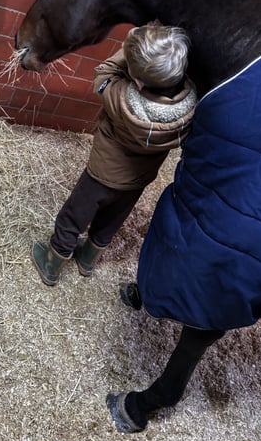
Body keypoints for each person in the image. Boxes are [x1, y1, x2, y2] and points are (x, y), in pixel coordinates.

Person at [31, 22, 197, 286]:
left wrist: (130, 51)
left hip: (101, 174)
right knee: (112, 220)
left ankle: (53, 262)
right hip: (137, 181)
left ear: (137, 81)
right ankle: (87, 260)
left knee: (74, 216)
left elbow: (103, 72)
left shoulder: (120, 97)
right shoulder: (188, 109)